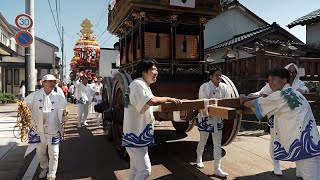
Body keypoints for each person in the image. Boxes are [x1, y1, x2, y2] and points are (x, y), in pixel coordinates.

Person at [240, 68, 320, 180]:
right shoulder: (295, 93)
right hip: (312, 141)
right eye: (269, 80)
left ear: (284, 80)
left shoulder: (280, 95)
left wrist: (243, 100)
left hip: (302, 145)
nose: (271, 83)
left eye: (274, 79)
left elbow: (253, 104)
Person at [122, 59, 182, 180]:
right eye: (153, 69)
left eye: (156, 69)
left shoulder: (142, 85)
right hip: (135, 135)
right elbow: (152, 101)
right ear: (144, 72)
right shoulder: (138, 84)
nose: (156, 72)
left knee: (135, 170)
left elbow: (148, 107)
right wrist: (169, 98)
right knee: (145, 170)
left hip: (136, 134)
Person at [24, 74, 67, 180]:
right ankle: (44, 167)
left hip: (53, 129)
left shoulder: (59, 97)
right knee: (40, 153)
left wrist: (64, 114)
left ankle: (52, 173)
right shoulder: (34, 95)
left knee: (54, 153)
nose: (53, 84)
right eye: (50, 81)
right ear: (43, 82)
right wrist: (23, 109)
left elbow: (62, 112)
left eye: (54, 82)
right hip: (38, 130)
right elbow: (24, 105)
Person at [195, 67, 230, 177]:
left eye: (220, 75)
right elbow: (202, 101)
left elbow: (227, 101)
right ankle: (199, 158)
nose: (219, 77)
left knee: (217, 144)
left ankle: (217, 168)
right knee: (203, 140)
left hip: (218, 118)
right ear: (211, 77)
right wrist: (213, 106)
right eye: (216, 75)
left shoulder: (224, 87)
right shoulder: (204, 87)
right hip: (206, 117)